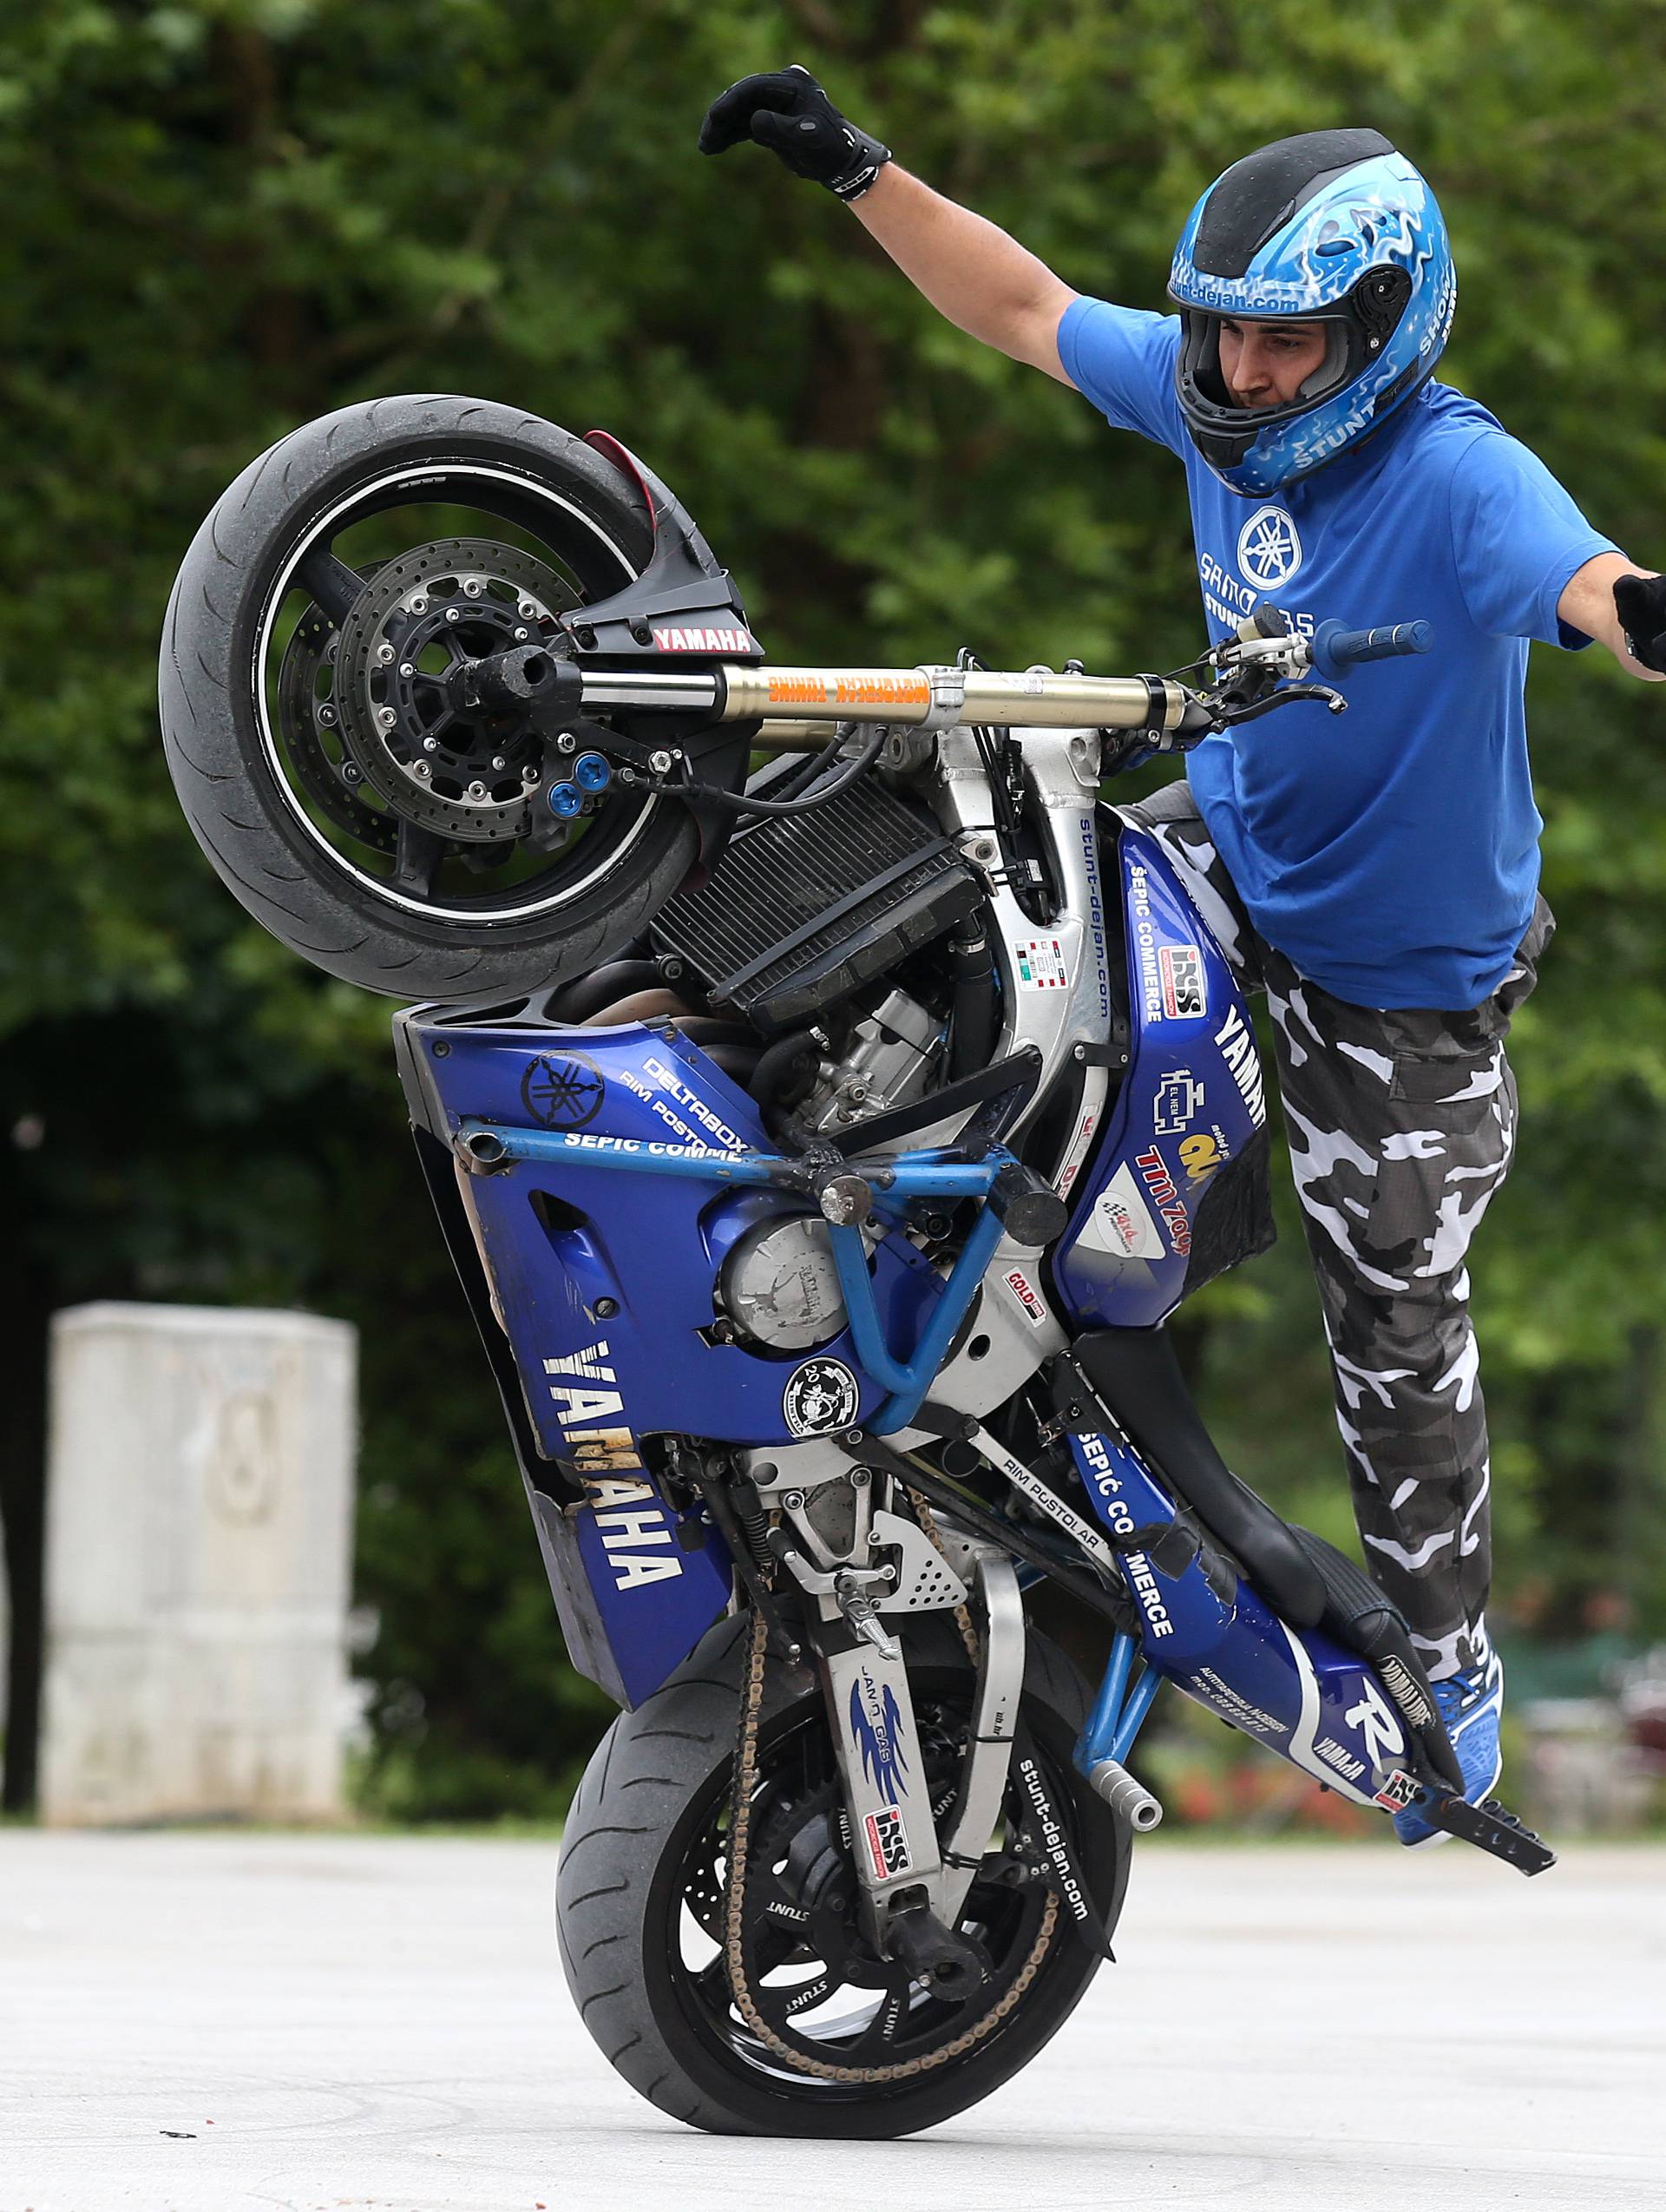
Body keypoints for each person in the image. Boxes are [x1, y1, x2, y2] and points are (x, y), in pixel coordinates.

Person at [699, 69, 1666, 1844]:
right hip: (1223, 860)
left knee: (1391, 1301)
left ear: (1381, 325)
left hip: (1406, 981)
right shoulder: (1213, 397)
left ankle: (1446, 1660)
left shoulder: (1458, 475)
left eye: (1280, 349)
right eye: (1220, 344)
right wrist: (856, 171)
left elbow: (1581, 575)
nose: (1238, 381)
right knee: (1001, 923)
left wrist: (1639, 617)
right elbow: (1019, 302)